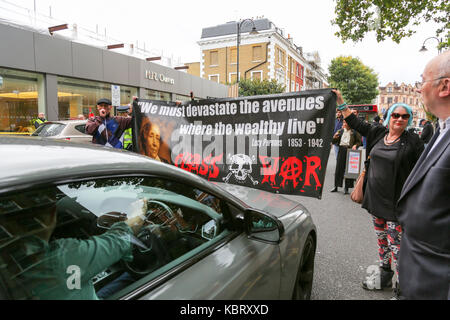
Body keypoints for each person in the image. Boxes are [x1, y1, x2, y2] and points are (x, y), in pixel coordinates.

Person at [333, 89, 424, 298]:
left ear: (408, 119)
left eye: (404, 116)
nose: (399, 119)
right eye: (396, 115)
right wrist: (340, 102)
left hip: (396, 205)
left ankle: (402, 287)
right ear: (389, 116)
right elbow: (355, 122)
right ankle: (384, 273)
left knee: (397, 246)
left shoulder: (413, 142)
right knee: (382, 239)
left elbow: (423, 170)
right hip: (375, 199)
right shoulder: (378, 134)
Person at [2, 192, 145, 300]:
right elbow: (121, 238)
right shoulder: (61, 257)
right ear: (53, 214)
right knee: (135, 277)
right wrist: (141, 208)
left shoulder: (7, 256)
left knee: (128, 277)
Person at [396, 50, 450, 300]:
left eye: (422, 81)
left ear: (444, 86)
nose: (418, 89)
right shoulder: (441, 129)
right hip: (419, 276)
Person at [331, 120, 362, 194]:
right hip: (341, 149)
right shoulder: (340, 131)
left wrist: (355, 145)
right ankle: (336, 186)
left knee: (349, 169)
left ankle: (347, 188)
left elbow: (359, 141)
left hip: (350, 150)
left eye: (346, 123)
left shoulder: (354, 131)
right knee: (339, 168)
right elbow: (334, 141)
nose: (344, 124)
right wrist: (334, 137)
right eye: (344, 122)